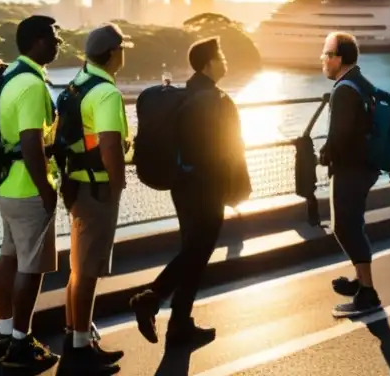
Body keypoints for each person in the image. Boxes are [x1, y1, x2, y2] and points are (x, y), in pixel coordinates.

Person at [129, 37, 251, 347]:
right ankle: (152, 297)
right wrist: (238, 188)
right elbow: (230, 149)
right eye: (221, 56)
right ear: (210, 63)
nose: (225, 62)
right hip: (207, 186)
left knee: (193, 252)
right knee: (198, 251)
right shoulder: (216, 99)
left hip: (181, 185)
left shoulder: (184, 96)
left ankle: (180, 323)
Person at [58, 24, 132, 375]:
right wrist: (117, 185)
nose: (124, 54)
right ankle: (80, 352)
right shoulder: (106, 94)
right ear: (113, 53)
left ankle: (77, 337)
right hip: (96, 189)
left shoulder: (77, 84)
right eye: (123, 49)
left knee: (78, 268)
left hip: (75, 184)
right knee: (88, 272)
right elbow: (110, 146)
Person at [0, 15, 63, 369]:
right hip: (28, 188)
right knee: (30, 267)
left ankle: (4, 334)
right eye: (53, 38)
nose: (58, 44)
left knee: (8, 258)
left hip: (6, 185)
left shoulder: (10, 77)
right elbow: (32, 143)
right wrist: (47, 189)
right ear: (36, 41)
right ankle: (21, 342)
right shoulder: (34, 86)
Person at [318, 31, 383, 318]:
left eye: (326, 54)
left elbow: (340, 134)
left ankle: (367, 292)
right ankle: (361, 282)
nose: (323, 60)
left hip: (351, 168)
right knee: (353, 225)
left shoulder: (344, 89)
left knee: (345, 227)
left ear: (338, 58)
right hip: (366, 165)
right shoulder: (361, 81)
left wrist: (325, 152)